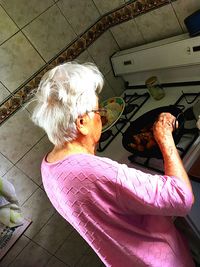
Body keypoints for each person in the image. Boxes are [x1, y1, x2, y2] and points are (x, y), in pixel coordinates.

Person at [31, 61, 195, 267]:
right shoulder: (97, 172)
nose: (101, 116)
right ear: (82, 123)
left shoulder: (48, 166)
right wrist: (164, 138)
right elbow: (181, 198)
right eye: (98, 111)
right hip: (161, 261)